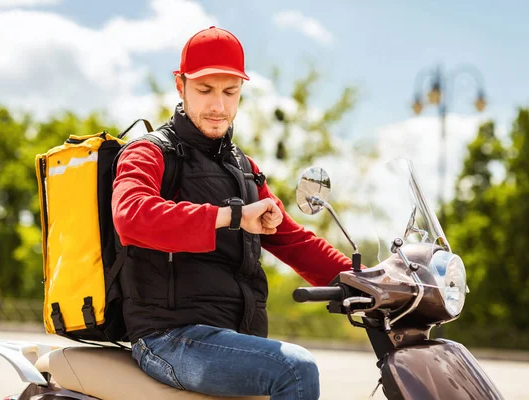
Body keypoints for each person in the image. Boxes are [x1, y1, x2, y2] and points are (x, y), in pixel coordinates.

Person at [112, 26, 354, 400]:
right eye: (205, 90)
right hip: (168, 337)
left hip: (232, 338)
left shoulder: (243, 168)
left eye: (230, 92)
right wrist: (231, 216)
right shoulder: (149, 152)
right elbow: (131, 215)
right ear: (180, 86)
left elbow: (293, 240)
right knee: (294, 369)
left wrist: (367, 279)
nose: (218, 106)